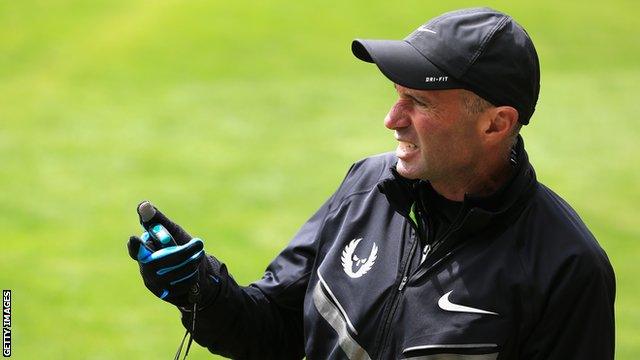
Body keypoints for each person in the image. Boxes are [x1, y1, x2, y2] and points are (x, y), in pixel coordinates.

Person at [127, 7, 615, 360]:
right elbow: (275, 331)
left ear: (495, 124)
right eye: (396, 95)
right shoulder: (366, 187)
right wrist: (203, 290)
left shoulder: (566, 268)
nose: (391, 119)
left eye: (418, 103)